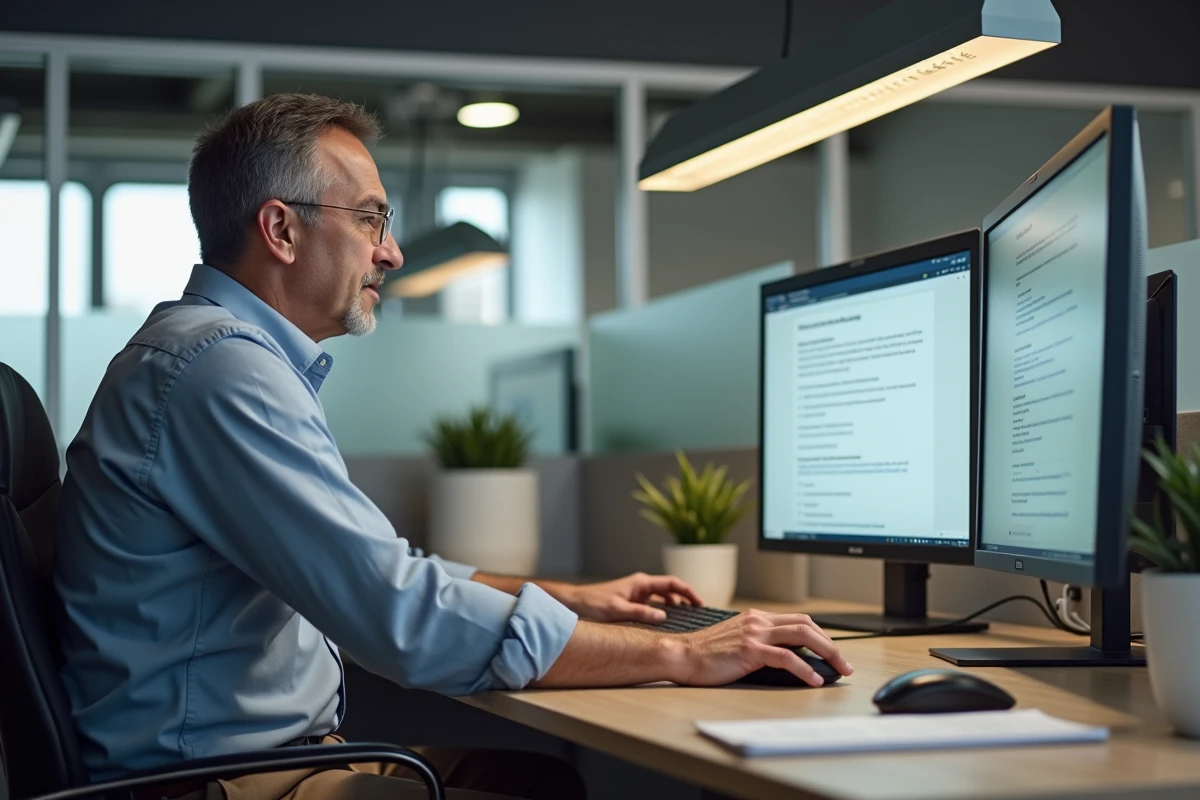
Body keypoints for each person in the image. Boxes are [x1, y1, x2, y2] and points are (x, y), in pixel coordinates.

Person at [54, 93, 853, 800]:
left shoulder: (212, 358)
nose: (391, 252)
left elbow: (384, 570)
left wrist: (570, 600)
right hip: (213, 783)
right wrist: (681, 655)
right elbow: (397, 612)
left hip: (249, 760)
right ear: (282, 230)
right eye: (370, 219)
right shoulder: (219, 369)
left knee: (539, 779)